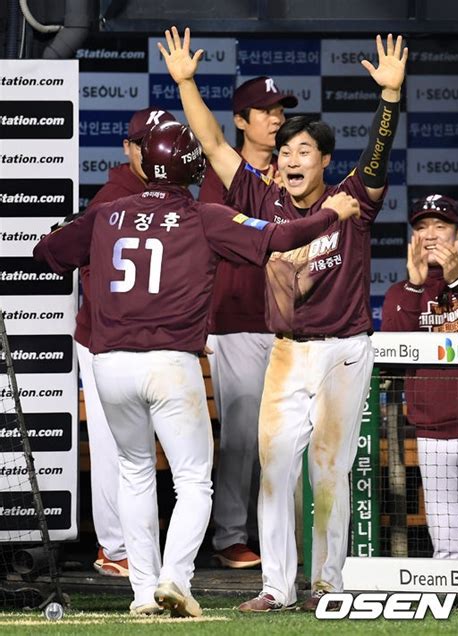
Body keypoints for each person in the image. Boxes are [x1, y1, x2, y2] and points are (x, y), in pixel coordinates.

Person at [34, 119, 361, 616]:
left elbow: (48, 254)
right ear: (189, 167)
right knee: (191, 481)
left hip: (110, 366)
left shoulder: (106, 215)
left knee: (134, 471)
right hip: (170, 363)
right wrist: (331, 213)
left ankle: (143, 593)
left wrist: (64, 231)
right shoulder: (203, 215)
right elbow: (277, 237)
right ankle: (175, 578)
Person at [158, 26, 407, 611]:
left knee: (328, 469)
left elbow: (378, 155)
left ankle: (329, 582)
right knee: (275, 468)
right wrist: (187, 84)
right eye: (287, 151)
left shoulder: (351, 200)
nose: (293, 160)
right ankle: (276, 586)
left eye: (305, 153)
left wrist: (389, 100)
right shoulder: (263, 198)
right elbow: (215, 144)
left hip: (345, 349)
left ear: (324, 162)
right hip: (289, 348)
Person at [200, 77, 297, 569]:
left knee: (283, 436)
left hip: (285, 321)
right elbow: (219, 236)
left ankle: (275, 534)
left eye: (280, 110)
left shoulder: (294, 169)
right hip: (236, 319)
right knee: (240, 437)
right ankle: (230, 537)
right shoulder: (223, 175)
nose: (276, 118)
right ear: (240, 121)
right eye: (264, 111)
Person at [74, 107, 175, 576]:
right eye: (146, 143)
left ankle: (133, 547)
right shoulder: (113, 197)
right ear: (130, 148)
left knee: (138, 447)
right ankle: (114, 548)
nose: (154, 150)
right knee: (116, 444)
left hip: (145, 343)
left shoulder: (172, 193)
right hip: (106, 339)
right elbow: (96, 282)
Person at [382, 194, 458, 559]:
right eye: (421, 228)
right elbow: (390, 354)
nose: (431, 235)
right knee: (449, 550)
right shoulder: (401, 293)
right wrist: (416, 287)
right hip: (434, 432)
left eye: (440, 226)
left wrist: (457, 285)